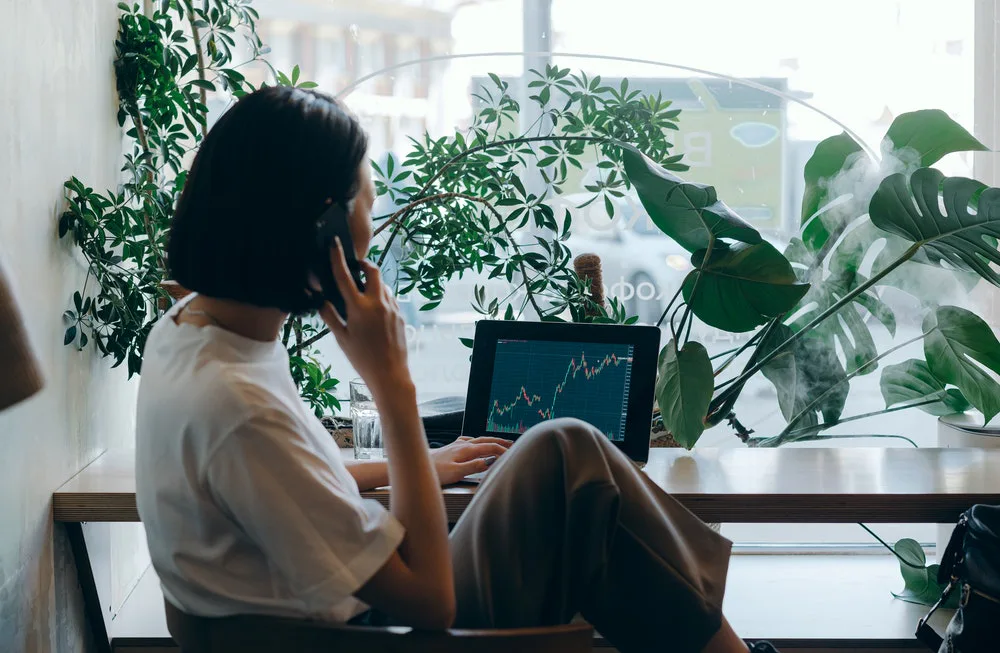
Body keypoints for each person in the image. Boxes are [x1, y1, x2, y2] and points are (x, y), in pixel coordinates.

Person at [134, 86, 779, 653]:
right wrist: (393, 386)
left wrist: (419, 465)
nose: (374, 221)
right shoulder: (241, 406)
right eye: (369, 200)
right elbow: (431, 600)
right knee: (579, 471)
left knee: (567, 451)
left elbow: (286, 481)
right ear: (324, 227)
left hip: (335, 615)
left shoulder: (192, 331)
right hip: (379, 636)